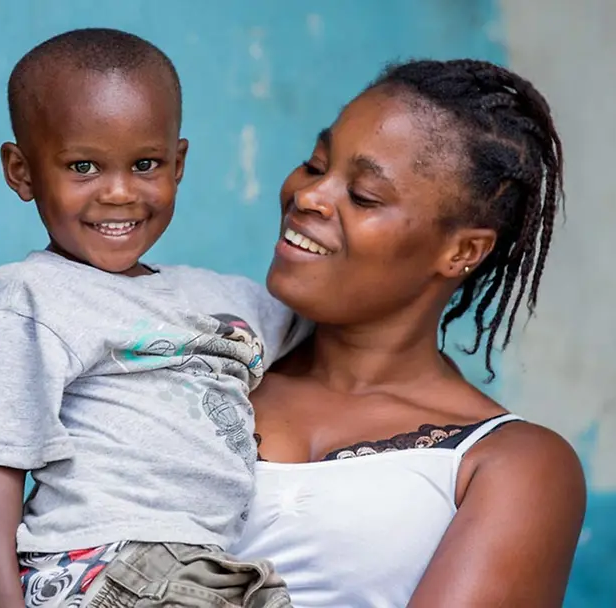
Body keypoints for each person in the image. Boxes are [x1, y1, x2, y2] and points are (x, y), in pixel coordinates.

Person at [0, 29, 300, 608]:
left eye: (146, 164)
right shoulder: (33, 294)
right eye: (83, 166)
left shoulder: (227, 299)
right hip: (103, 563)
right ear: (22, 171)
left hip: (213, 571)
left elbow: (341, 322)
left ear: (179, 162)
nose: (119, 193)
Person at [232, 59, 586, 607]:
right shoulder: (204, 370)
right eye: (314, 164)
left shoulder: (508, 465)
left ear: (461, 251)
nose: (309, 196)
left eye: (365, 196)